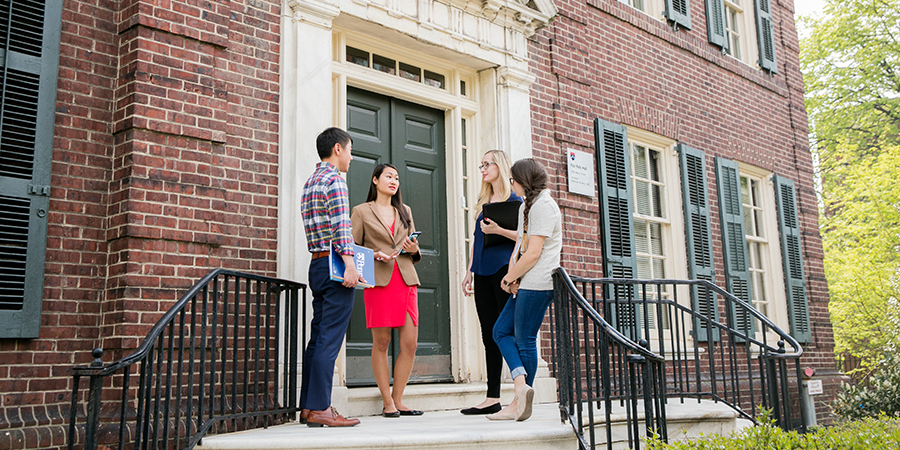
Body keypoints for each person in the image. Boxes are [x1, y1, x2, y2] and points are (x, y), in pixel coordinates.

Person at [299, 127, 364, 427]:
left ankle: (308, 408)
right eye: (350, 150)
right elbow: (341, 228)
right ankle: (322, 407)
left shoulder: (310, 182)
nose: (351, 157)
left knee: (318, 337)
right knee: (330, 338)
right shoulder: (335, 180)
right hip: (335, 266)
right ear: (337, 149)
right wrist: (350, 265)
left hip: (317, 264)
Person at [488, 158, 561, 422]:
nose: (511, 184)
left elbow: (533, 254)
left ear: (524, 181)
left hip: (539, 283)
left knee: (525, 339)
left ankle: (518, 402)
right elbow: (520, 245)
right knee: (500, 331)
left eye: (513, 179)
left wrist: (508, 278)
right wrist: (513, 276)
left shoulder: (545, 207)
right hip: (524, 281)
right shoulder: (526, 207)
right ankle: (521, 387)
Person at [351, 163, 424, 418]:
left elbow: (414, 248)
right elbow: (352, 248)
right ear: (375, 180)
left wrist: (415, 249)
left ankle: (399, 398)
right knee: (381, 342)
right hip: (379, 280)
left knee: (410, 343)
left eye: (397, 177)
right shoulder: (361, 211)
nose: (394, 181)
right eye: (388, 176)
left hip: (405, 279)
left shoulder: (405, 211)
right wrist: (374, 254)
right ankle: (387, 402)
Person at [460, 150, 522, 415]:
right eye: (481, 164)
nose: (483, 169)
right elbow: (477, 238)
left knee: (508, 332)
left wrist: (498, 230)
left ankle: (522, 392)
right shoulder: (483, 202)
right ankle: (492, 396)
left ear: (501, 166)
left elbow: (524, 237)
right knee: (488, 334)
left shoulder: (516, 201)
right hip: (483, 272)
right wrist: (469, 270)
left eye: (487, 164)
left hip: (504, 273)